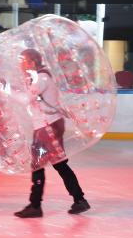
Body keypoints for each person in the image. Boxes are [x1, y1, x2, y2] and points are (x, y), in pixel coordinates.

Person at [13, 49, 91, 218]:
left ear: (33, 62)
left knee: (40, 165)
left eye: (24, 61)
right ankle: (79, 200)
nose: (22, 64)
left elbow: (26, 99)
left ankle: (35, 205)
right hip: (48, 126)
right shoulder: (39, 77)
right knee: (58, 164)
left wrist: (5, 88)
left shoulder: (41, 78)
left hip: (46, 128)